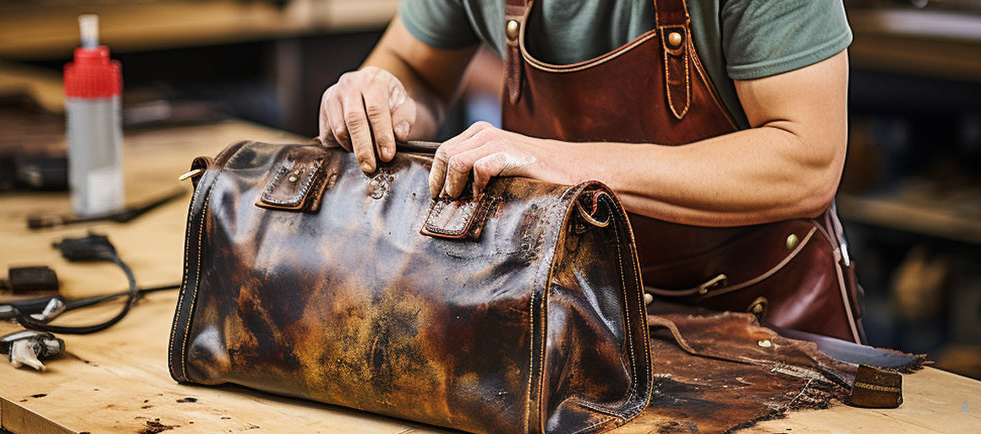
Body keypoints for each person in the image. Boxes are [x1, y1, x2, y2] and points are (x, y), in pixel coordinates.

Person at [317, 0, 866, 343]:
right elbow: (414, 67)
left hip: (760, 328)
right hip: (570, 323)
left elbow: (807, 159)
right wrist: (379, 94)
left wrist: (556, 160)